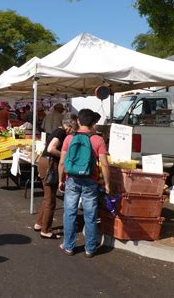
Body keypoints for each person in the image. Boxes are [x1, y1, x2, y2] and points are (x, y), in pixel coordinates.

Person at [58, 109, 110, 258]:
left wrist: (61, 180)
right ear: (93, 122)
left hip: (72, 179)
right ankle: (90, 249)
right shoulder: (97, 139)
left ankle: (69, 247)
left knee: (69, 213)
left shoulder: (69, 138)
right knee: (91, 215)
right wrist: (107, 184)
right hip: (90, 181)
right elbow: (105, 165)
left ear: (78, 121)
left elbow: (62, 162)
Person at [34, 113, 78, 239]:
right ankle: (45, 230)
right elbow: (51, 148)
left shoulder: (58, 131)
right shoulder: (61, 132)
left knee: (48, 196)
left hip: (44, 162)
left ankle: (39, 223)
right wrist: (64, 156)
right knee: (50, 200)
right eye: (73, 129)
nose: (73, 132)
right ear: (69, 126)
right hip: (49, 164)